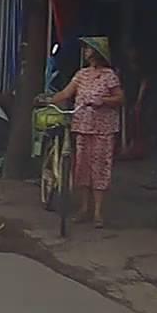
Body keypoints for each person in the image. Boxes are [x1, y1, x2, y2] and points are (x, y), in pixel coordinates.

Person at [45, 36, 123, 228]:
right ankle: (84, 208)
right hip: (82, 127)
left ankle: (98, 213)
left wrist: (103, 101)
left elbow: (120, 98)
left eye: (88, 49)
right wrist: (48, 100)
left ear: (96, 53)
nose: (85, 51)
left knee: (100, 168)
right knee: (82, 168)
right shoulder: (81, 74)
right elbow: (66, 93)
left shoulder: (109, 76)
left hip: (103, 129)